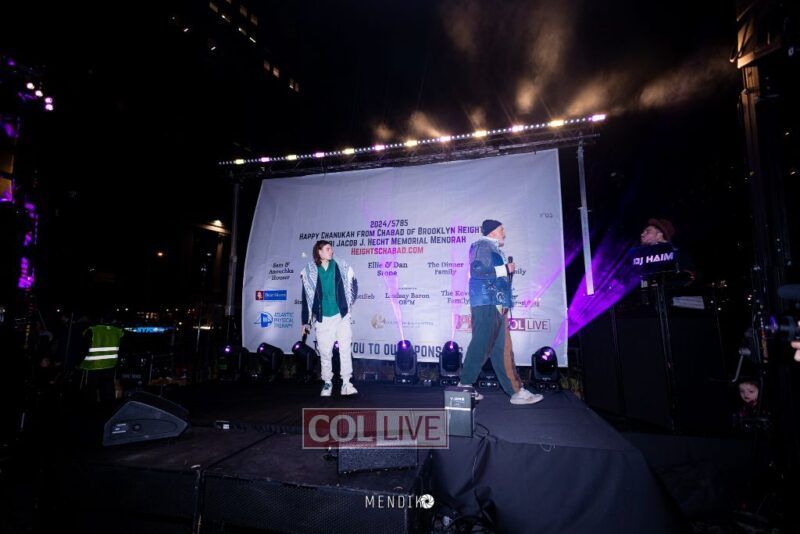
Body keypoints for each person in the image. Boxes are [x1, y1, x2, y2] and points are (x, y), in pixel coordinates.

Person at [458, 220, 543, 405]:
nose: (504, 232)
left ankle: (516, 391)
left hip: (497, 304)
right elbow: (477, 269)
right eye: (501, 229)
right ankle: (465, 385)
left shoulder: (493, 248)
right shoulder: (482, 245)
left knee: (502, 349)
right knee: (481, 343)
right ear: (492, 232)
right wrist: (505, 269)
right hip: (486, 302)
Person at [300, 240, 359, 396]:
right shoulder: (310, 271)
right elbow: (306, 298)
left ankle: (346, 383)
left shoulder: (341, 265)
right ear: (319, 252)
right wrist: (305, 321)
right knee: (325, 353)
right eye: (327, 249)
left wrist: (347, 304)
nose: (331, 251)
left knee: (345, 349)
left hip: (341, 316)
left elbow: (353, 284)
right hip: (323, 318)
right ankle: (327, 382)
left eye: (331, 249)